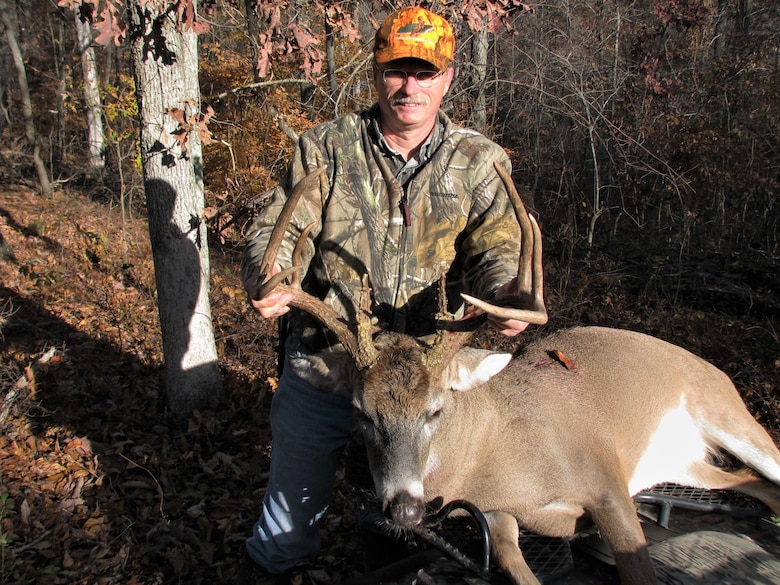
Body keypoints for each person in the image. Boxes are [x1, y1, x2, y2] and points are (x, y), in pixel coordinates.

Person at [239, 6, 533, 582]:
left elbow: (498, 245)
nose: (409, 87)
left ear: (447, 78)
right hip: (337, 360)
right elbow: (282, 227)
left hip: (427, 371)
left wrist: (505, 293)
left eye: (424, 73)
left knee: (419, 520)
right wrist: (268, 273)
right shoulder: (324, 148)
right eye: (397, 70)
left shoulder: (478, 161)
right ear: (375, 72)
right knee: (285, 527)